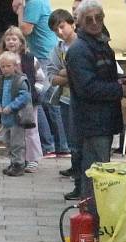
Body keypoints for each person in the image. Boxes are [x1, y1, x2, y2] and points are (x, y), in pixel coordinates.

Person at [66, 0, 125, 200]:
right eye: (88, 19)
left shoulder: (101, 44)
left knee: (99, 171)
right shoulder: (79, 49)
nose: (94, 22)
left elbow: (103, 77)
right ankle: (91, 218)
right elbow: (87, 88)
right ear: (79, 23)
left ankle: (94, 216)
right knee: (95, 173)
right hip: (92, 123)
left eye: (98, 17)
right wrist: (120, 89)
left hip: (103, 121)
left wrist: (119, 80)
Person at [13, 0, 63, 158]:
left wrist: (21, 10)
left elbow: (25, 30)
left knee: (37, 101)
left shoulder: (34, 2)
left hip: (43, 56)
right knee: (49, 102)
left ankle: (49, 146)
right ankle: (60, 146)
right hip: (46, 54)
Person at [47, 8, 81, 198]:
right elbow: (52, 76)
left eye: (62, 27)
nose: (60, 32)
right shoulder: (58, 49)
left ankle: (80, 179)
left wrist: (66, 73)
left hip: (83, 100)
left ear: (71, 24)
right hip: (66, 98)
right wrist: (66, 75)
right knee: (71, 140)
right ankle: (76, 173)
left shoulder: (82, 45)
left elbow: (81, 72)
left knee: (79, 140)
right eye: (56, 30)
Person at [2, 26, 44, 173]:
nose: (11, 42)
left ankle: (32, 159)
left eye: (14, 39)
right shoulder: (3, 59)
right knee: (12, 131)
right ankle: (17, 160)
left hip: (29, 101)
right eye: (8, 39)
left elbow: (40, 78)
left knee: (31, 130)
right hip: (10, 102)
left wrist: (35, 92)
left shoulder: (30, 58)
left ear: (21, 41)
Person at [0, 50, 32, 177]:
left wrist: (12, 106)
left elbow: (25, 96)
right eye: (2, 66)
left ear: (15, 66)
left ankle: (19, 164)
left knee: (17, 143)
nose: (5, 69)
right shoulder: (0, 81)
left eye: (8, 66)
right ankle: (13, 162)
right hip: (5, 118)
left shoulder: (20, 80)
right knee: (7, 142)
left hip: (17, 118)